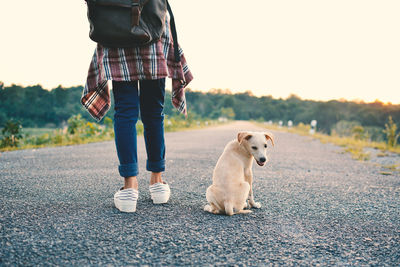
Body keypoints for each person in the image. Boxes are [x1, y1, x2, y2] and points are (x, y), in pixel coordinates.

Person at [81, 6, 193, 213]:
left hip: (116, 30)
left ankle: (129, 186)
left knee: (125, 111)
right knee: (153, 112)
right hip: (153, 30)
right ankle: (157, 182)